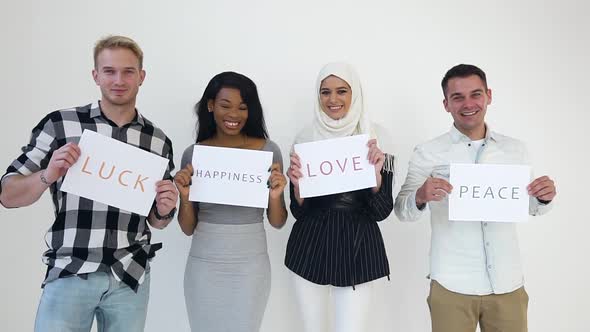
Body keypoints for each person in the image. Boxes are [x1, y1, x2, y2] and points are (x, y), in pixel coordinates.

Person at [0, 35, 178, 332]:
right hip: (72, 270)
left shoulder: (157, 140)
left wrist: (164, 209)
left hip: (130, 274)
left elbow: (157, 220)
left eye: (128, 71)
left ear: (141, 76)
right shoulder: (61, 124)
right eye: (109, 71)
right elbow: (7, 195)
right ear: (96, 75)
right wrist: (49, 174)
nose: (118, 80)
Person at [394, 64, 557, 332]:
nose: (468, 104)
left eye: (475, 94)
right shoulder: (428, 152)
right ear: (446, 104)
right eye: (457, 97)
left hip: (507, 284)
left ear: (488, 96)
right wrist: (421, 196)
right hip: (452, 285)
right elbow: (402, 210)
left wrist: (544, 197)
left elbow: (529, 206)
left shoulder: (515, 150)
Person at [173, 71, 287, 332]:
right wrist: (185, 197)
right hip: (204, 262)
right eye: (225, 105)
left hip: (251, 262)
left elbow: (278, 222)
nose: (234, 114)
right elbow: (187, 228)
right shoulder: (194, 154)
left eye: (243, 107)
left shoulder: (269, 150)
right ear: (211, 105)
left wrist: (276, 196)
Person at [284, 62, 394, 332]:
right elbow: (298, 212)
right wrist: (297, 188)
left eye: (342, 91)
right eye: (325, 92)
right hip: (308, 247)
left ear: (354, 93)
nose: (333, 99)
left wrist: (378, 175)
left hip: (359, 247)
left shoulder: (378, 137)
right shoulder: (304, 137)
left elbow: (382, 211)